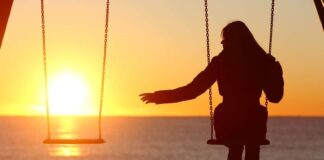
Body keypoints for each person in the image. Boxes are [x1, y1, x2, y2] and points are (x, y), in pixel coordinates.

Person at [140, 21, 284, 160]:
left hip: (229, 120)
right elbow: (275, 97)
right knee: (252, 145)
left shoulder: (221, 62)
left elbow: (193, 90)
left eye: (224, 40)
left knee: (236, 147)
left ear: (232, 41)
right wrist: (275, 71)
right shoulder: (260, 61)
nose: (222, 44)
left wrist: (161, 97)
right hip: (253, 122)